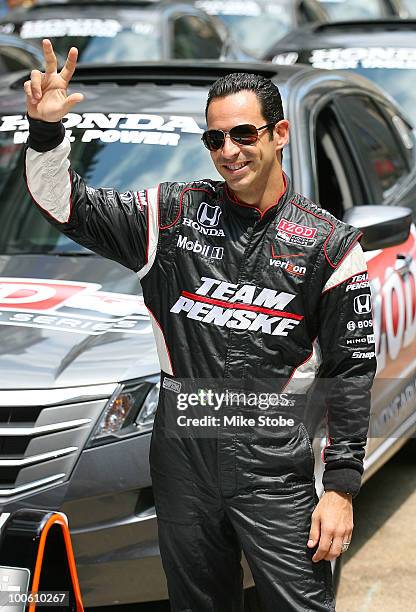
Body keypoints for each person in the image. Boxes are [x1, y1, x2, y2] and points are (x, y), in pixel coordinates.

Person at [23, 39, 377, 612]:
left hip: (272, 465)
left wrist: (339, 488)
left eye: (244, 134)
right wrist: (46, 133)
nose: (229, 150)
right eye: (215, 138)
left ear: (278, 135)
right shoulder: (173, 214)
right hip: (183, 454)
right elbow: (68, 206)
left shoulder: (328, 245)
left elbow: (352, 373)